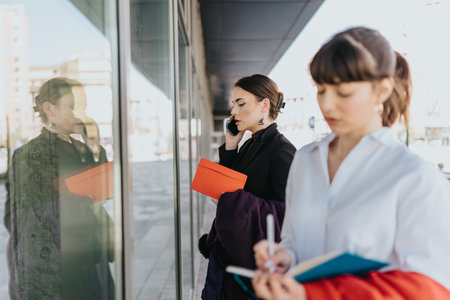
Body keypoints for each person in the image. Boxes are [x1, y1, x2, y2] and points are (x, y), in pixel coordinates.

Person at [252, 26, 450, 299]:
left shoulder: (414, 176)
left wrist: (314, 294)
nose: (327, 105)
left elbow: (429, 288)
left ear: (382, 90)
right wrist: (285, 257)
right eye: (321, 90)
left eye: (343, 93)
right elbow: (295, 242)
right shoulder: (305, 160)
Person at [4, 77, 115, 300]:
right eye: (74, 106)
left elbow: (105, 188)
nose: (81, 114)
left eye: (83, 107)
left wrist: (94, 144)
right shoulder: (29, 155)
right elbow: (18, 217)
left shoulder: (81, 147)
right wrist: (84, 202)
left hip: (89, 261)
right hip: (57, 271)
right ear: (49, 110)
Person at [199, 74, 296, 300]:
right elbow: (232, 184)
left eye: (241, 103)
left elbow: (288, 214)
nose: (233, 111)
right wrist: (231, 146)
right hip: (228, 259)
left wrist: (230, 201)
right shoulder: (250, 144)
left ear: (264, 105)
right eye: (233, 104)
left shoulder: (282, 151)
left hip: (251, 269)